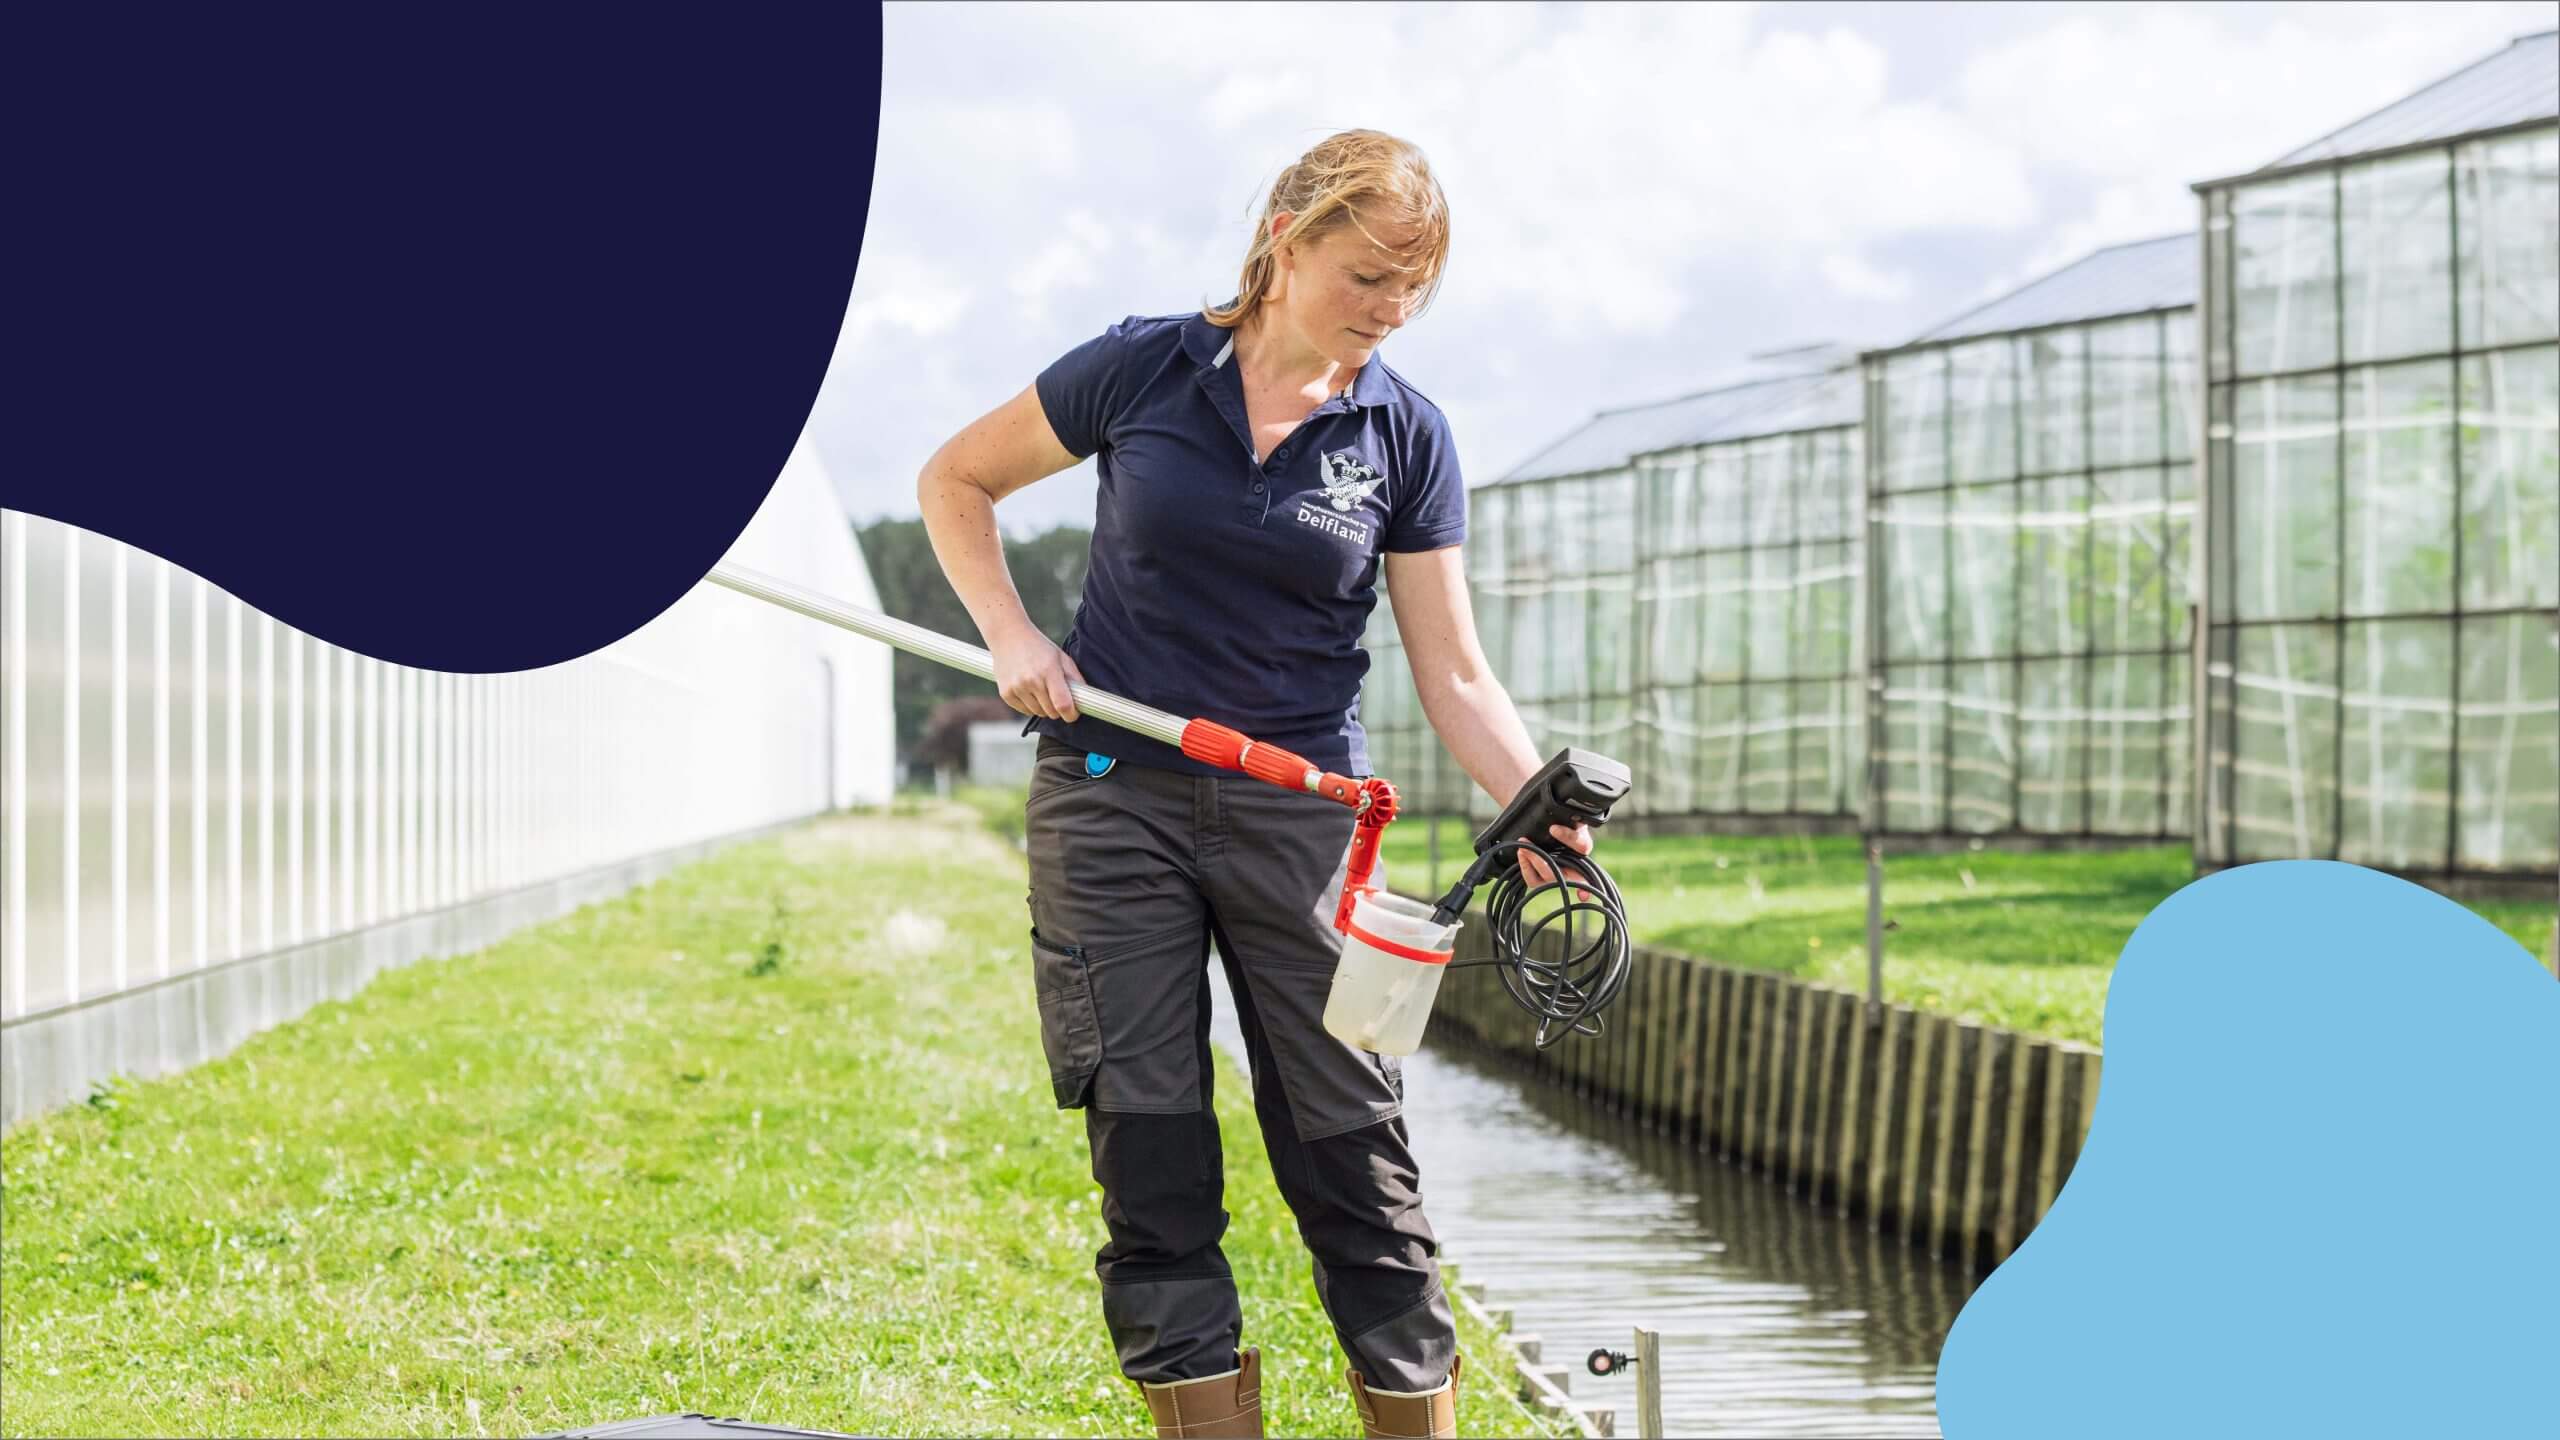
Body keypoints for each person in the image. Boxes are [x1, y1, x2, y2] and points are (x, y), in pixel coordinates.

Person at [916, 129, 1593, 1440]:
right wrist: (1013, 636)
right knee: (1153, 1149)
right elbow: (957, 480)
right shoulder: (1141, 370)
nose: (1387, 312)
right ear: (1285, 241)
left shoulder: (1405, 435)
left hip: (1304, 819)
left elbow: (1456, 673)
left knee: (1356, 1154)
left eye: (1413, 290)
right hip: (1112, 793)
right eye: (1366, 277)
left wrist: (1537, 807)